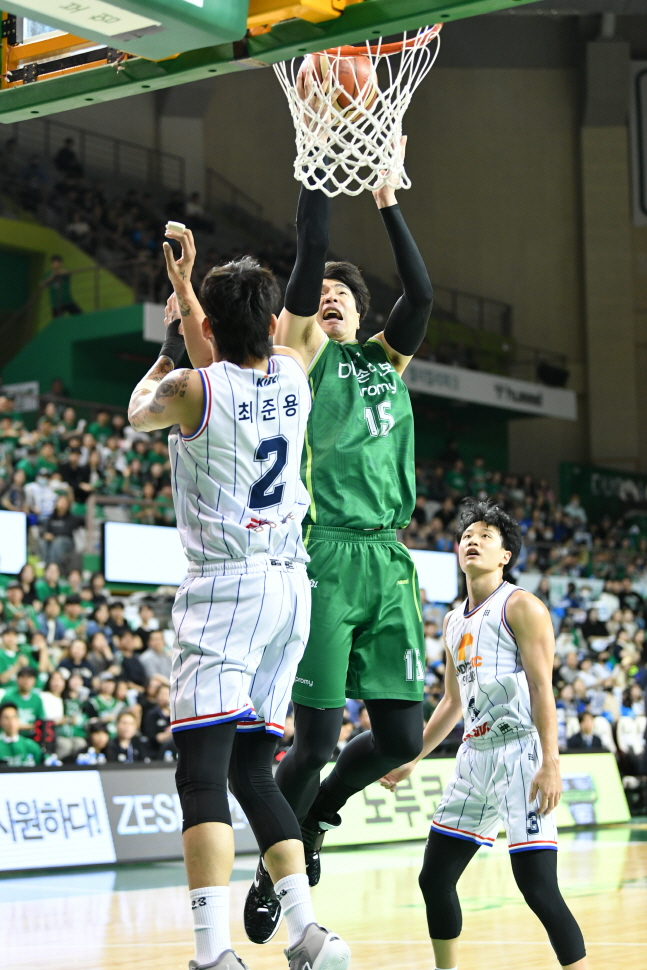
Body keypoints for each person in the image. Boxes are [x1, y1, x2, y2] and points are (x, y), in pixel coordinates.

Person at [175, 144, 432, 941]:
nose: (324, 303)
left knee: (397, 736)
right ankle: (283, 875)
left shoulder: (386, 361)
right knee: (309, 738)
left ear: (362, 312)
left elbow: (419, 293)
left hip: (386, 559)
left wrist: (385, 198)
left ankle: (307, 823)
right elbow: (297, 279)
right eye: (313, 299)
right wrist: (321, 174)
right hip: (317, 556)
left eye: (338, 298)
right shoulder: (299, 368)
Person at [124, 233, 350, 970]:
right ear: (273, 326)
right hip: (289, 591)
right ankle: (308, 935)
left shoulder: (188, 387)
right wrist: (189, 293)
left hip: (225, 586)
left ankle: (212, 953)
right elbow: (224, 350)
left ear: (207, 334)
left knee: (201, 773)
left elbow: (139, 411)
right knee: (254, 772)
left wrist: (165, 344)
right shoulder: (293, 370)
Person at [379, 499, 588, 970]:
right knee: (434, 879)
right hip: (473, 758)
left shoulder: (523, 606)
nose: (472, 541)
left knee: (538, 888)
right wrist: (414, 757)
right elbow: (451, 703)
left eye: (486, 537)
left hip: (520, 755)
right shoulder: (454, 620)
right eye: (467, 535)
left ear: (505, 556)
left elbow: (541, 688)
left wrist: (550, 761)